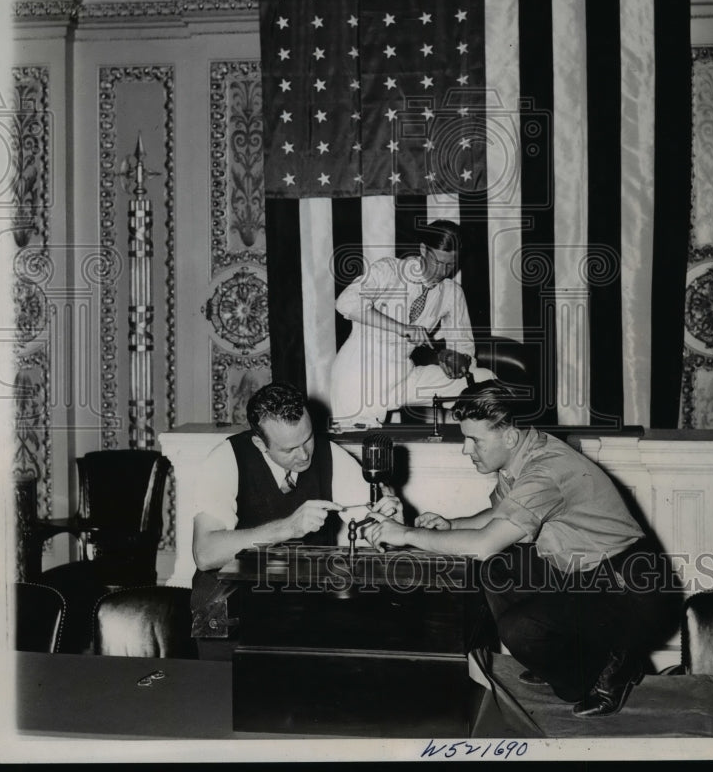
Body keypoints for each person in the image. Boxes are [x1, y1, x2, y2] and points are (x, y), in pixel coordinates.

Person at [364, 381, 670, 718]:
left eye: (474, 440)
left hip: (631, 591)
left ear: (508, 437)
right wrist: (451, 525)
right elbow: (499, 515)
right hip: (589, 573)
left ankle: (614, 666)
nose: (466, 450)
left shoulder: (546, 471)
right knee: (495, 569)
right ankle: (569, 656)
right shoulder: (524, 452)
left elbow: (483, 544)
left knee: (518, 629)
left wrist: (406, 534)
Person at [190, 382, 401, 638]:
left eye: (308, 438)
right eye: (289, 449)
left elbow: (372, 525)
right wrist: (288, 527)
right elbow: (205, 553)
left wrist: (390, 520)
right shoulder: (226, 459)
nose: (303, 455)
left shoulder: (330, 454)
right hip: (232, 604)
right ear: (259, 443)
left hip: (302, 605)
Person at [330, 219, 493, 428]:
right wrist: (402, 328)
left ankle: (481, 445)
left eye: (451, 265)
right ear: (423, 250)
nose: (442, 272)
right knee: (365, 449)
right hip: (360, 375)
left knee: (484, 382)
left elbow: (464, 345)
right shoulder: (389, 270)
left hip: (403, 374)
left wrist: (459, 358)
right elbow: (345, 302)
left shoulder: (452, 292)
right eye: (438, 263)